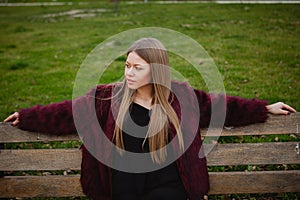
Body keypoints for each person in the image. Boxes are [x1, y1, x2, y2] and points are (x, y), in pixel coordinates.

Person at [4, 38, 296, 200]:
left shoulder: (180, 97)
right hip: (123, 185)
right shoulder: (107, 98)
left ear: (155, 70)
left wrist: (263, 108)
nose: (128, 73)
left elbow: (221, 107)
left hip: (168, 184)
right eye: (127, 65)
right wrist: (28, 117)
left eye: (137, 67)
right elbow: (65, 114)